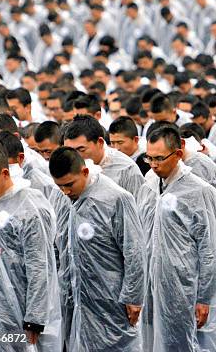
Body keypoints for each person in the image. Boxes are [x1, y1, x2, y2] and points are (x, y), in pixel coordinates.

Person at [49, 147, 146, 351]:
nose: (65, 191)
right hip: (74, 297)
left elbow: (134, 250)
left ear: (84, 172)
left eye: (69, 185)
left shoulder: (115, 198)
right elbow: (58, 244)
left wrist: (133, 297)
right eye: (60, 186)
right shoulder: (62, 197)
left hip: (111, 298)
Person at [0, 146, 61, 350]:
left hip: (21, 307)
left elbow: (39, 265)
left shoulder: (29, 206)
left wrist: (34, 317)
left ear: (5, 173)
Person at [141, 126, 216, 351]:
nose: (154, 164)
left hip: (184, 286)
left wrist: (205, 297)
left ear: (178, 154)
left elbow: (208, 248)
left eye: (159, 158)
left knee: (185, 343)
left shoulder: (198, 191)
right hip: (153, 282)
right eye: (149, 157)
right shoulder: (149, 184)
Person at [63, 115, 145, 197]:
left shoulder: (127, 170)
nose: (75, 156)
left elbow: (139, 206)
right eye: (70, 151)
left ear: (100, 142)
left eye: (81, 149)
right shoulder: (67, 165)